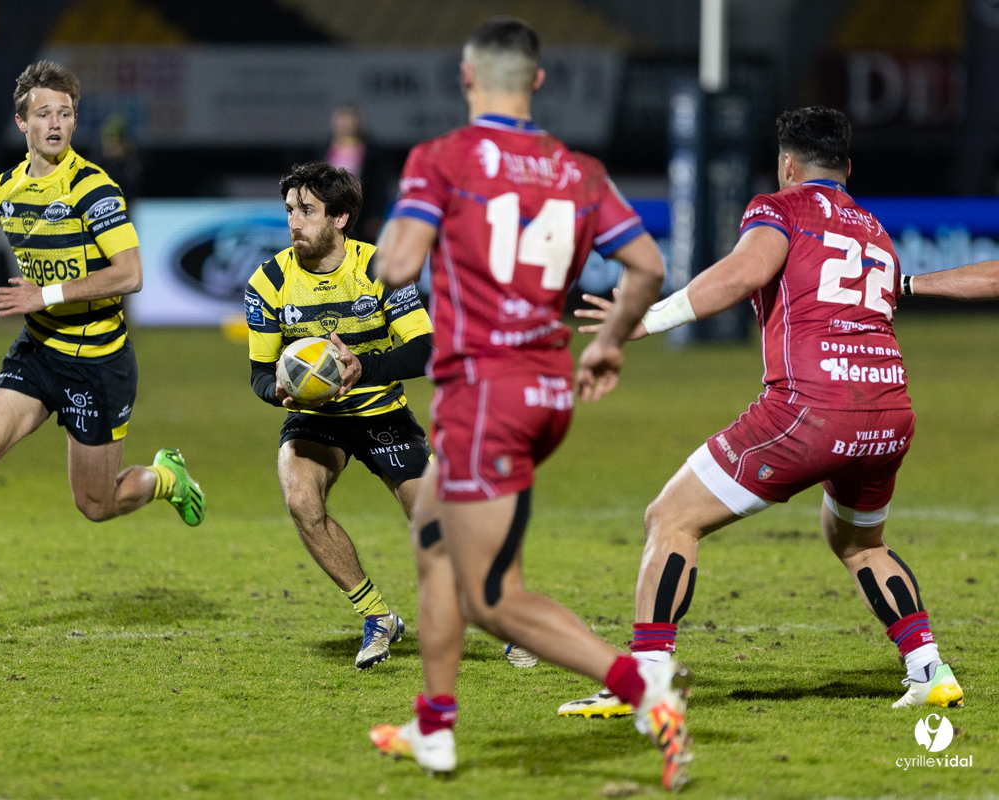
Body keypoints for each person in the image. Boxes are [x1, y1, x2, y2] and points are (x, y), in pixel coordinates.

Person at [366, 18, 694, 790]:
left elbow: (396, 264)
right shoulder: (576, 170)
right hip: (546, 388)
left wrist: (396, 237)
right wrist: (610, 339)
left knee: (491, 598)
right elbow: (646, 264)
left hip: (484, 393)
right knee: (432, 543)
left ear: (466, 76)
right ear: (538, 82)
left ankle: (643, 690)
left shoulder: (442, 160)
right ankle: (436, 729)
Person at [561, 106, 965, 718]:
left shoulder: (781, 206)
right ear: (847, 168)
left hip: (812, 409)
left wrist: (643, 319)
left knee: (670, 516)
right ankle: (929, 667)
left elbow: (740, 274)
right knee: (857, 540)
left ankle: (646, 677)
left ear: (786, 165)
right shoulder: (875, 230)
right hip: (889, 410)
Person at [0, 61, 205, 635]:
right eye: (44, 113)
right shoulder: (7, 188)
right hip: (39, 353)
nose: (56, 123)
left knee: (96, 504)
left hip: (99, 363)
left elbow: (130, 273)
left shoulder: (93, 187)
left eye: (66, 113)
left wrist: (45, 293)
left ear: (75, 121)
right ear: (22, 122)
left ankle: (167, 479)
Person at [245, 162, 434, 670]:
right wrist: (280, 393)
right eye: (289, 210)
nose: (295, 222)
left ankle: (502, 617)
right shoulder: (268, 283)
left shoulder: (381, 269)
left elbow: (425, 350)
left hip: (380, 410)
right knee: (301, 497)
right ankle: (377, 615)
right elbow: (260, 374)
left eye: (307, 210)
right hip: (315, 416)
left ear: (342, 218)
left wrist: (360, 368)